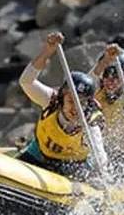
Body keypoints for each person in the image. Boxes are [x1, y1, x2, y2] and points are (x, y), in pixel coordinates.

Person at [16, 32, 106, 181]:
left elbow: (100, 157)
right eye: (72, 101)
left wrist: (100, 176)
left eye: (82, 103)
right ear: (62, 97)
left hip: (75, 165)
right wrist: (47, 51)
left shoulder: (91, 122)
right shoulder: (51, 100)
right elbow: (26, 81)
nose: (76, 108)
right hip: (40, 154)